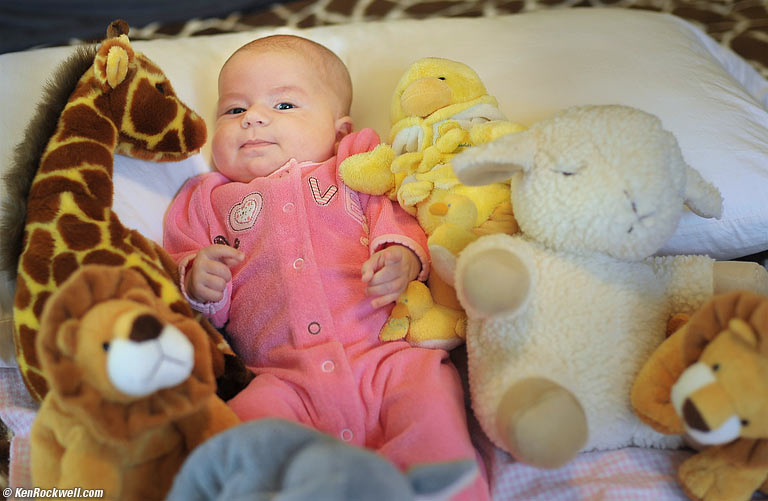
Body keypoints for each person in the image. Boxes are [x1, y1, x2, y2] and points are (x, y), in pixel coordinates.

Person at [163, 34, 489, 500]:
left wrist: (402, 257)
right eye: (234, 110)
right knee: (239, 440)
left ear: (339, 130)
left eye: (284, 105)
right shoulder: (206, 200)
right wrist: (198, 280)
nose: (253, 117)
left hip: (388, 359)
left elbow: (396, 215)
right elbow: (177, 264)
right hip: (280, 376)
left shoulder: (354, 168)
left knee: (433, 408)